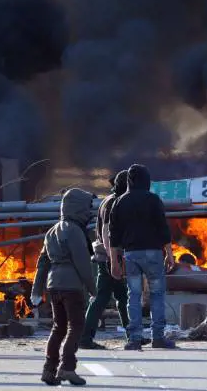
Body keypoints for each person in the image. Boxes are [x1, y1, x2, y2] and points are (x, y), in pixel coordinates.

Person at [31, 188, 96, 386]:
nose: (89, 211)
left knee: (58, 327)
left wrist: (36, 289)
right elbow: (82, 262)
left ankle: (49, 369)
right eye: (87, 207)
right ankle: (67, 368)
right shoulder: (74, 230)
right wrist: (93, 289)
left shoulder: (52, 231)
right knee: (76, 326)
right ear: (78, 207)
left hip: (54, 285)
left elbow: (42, 262)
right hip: (72, 284)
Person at [109, 163, 176, 351]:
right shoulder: (154, 200)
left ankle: (135, 339)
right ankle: (158, 337)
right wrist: (169, 254)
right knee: (156, 294)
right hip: (153, 254)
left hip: (131, 255)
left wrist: (114, 261)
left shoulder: (120, 202)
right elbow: (163, 229)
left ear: (129, 181)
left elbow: (113, 235)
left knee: (134, 296)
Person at [79, 170, 132, 350]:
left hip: (109, 255)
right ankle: (85, 337)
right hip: (109, 256)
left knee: (122, 297)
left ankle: (132, 335)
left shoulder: (109, 200)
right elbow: (107, 232)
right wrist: (113, 259)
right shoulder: (112, 203)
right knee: (102, 297)